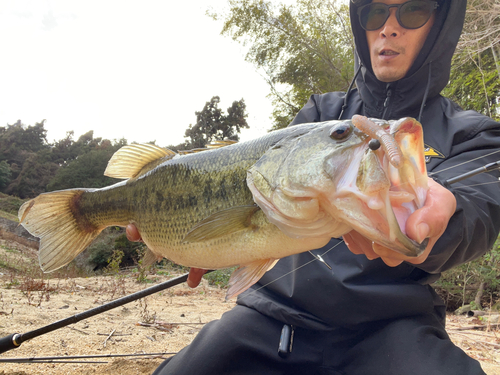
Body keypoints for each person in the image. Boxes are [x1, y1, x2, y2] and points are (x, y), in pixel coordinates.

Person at [129, 1, 500, 374]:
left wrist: (447, 216)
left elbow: (479, 209)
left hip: (393, 327)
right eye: (374, 14)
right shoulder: (322, 114)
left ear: (440, 24)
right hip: (273, 316)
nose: (388, 28)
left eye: (412, 11)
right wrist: (209, 243)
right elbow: (261, 193)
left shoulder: (473, 134)